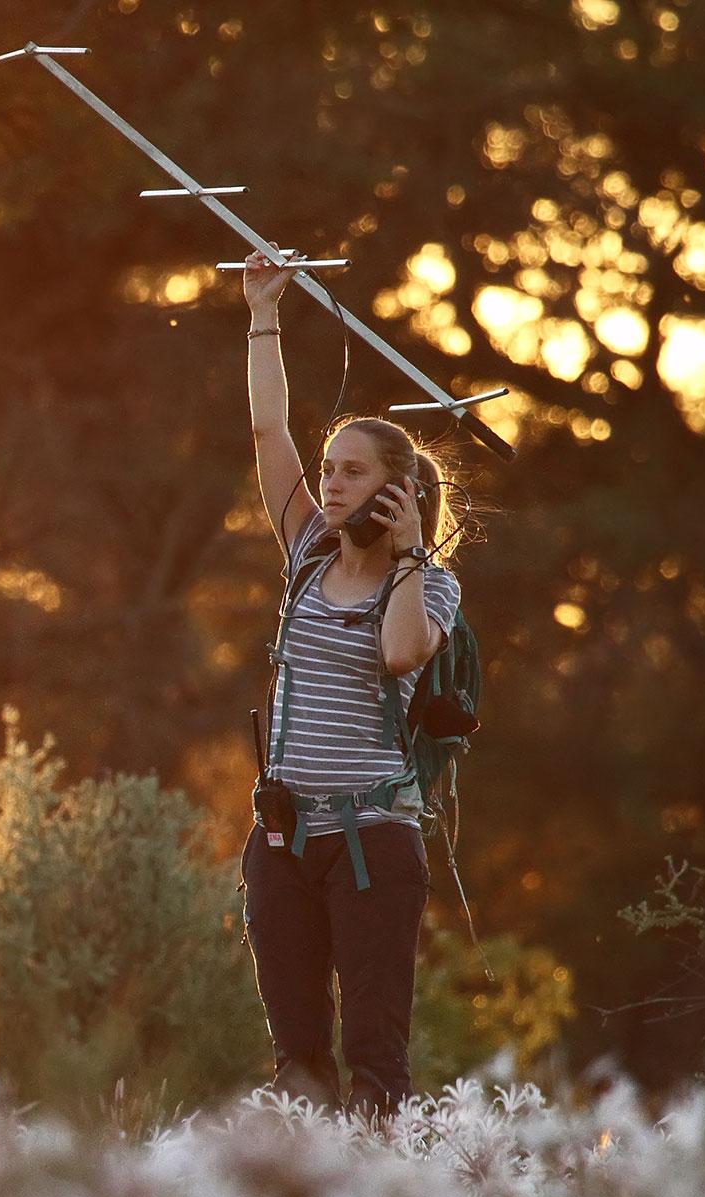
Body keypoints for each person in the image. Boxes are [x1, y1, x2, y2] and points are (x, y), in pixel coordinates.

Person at [237, 249, 463, 1124]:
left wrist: (407, 553)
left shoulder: (429, 581)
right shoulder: (305, 552)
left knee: (375, 1056)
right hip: (284, 838)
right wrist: (264, 313)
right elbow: (268, 436)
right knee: (296, 1053)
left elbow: (403, 656)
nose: (329, 483)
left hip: (375, 839)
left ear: (396, 490)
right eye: (329, 469)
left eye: (353, 472)